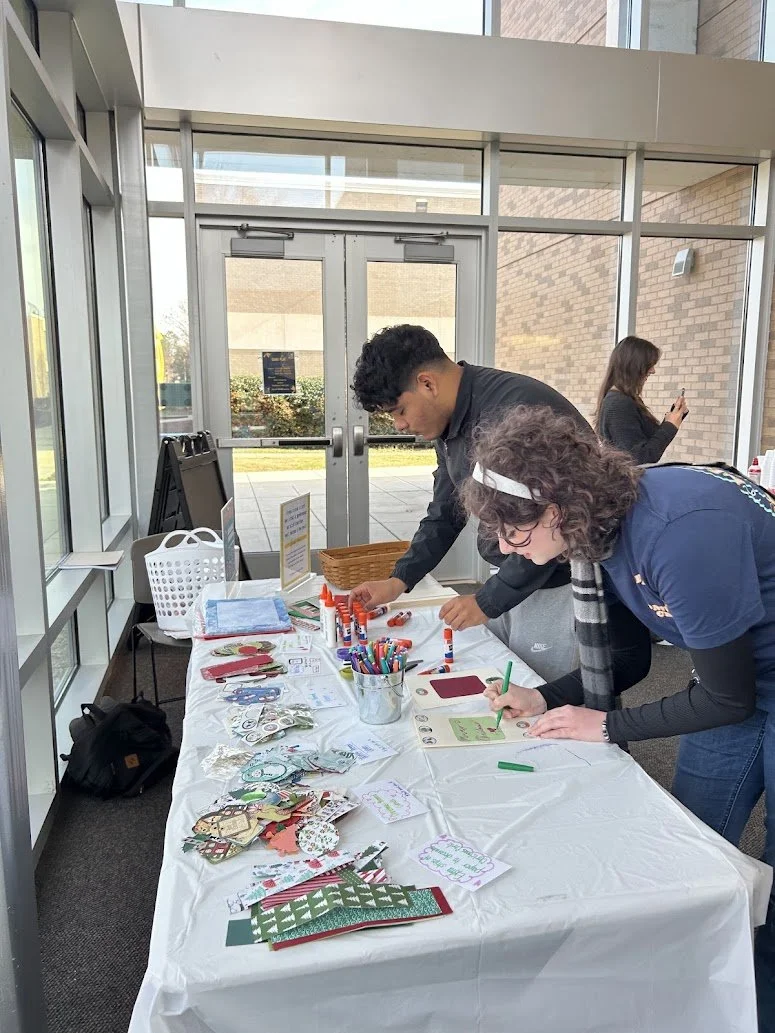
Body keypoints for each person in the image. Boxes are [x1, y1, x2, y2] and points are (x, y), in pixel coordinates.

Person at [459, 404, 774, 1031]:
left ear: (552, 508)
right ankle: (692, 995)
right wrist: (548, 698)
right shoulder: (597, 527)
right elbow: (628, 661)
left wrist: (603, 726)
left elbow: (727, 700)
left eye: (514, 536)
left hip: (738, 684)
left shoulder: (680, 531)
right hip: (738, 676)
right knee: (688, 851)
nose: (508, 549)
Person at [347, 324, 591, 681]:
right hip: (514, 572)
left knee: (549, 699)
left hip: (561, 580)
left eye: (399, 410)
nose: (399, 425)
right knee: (510, 689)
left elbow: (551, 526)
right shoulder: (450, 424)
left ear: (427, 384)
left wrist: (487, 601)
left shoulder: (513, 412)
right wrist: (399, 580)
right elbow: (446, 511)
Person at [597, 335, 688, 463]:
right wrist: (670, 426)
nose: (653, 371)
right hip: (629, 482)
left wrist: (673, 418)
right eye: (649, 365)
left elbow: (646, 443)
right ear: (634, 365)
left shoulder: (622, 399)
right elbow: (640, 459)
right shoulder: (619, 404)